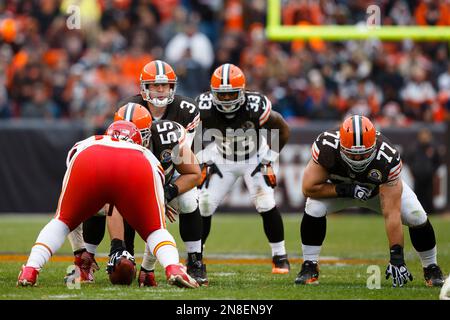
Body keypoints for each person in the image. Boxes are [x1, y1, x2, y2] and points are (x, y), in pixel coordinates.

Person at [69, 60, 206, 286]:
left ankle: (194, 260)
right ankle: (91, 258)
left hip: (169, 172)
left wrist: (166, 192)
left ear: (173, 87)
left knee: (190, 200)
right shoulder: (127, 109)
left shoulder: (183, 115)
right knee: (96, 203)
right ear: (144, 88)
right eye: (154, 85)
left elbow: (187, 164)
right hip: (129, 173)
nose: (160, 90)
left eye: (164, 85)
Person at [17, 121, 198, 289]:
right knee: (155, 230)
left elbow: (74, 205)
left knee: (62, 220)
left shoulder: (88, 141)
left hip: (89, 157)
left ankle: (31, 270)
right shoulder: (147, 154)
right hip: (138, 164)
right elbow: (155, 221)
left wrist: (80, 249)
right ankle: (173, 268)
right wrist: (148, 270)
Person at [296, 115, 445, 287]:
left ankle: (431, 267)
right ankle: (309, 266)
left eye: (363, 154)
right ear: (341, 147)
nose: (358, 159)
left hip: (377, 192)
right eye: (352, 154)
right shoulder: (327, 147)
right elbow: (308, 188)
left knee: (416, 216)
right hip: (341, 191)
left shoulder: (387, 158)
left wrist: (396, 257)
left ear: (374, 146)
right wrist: (348, 190)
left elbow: (392, 213)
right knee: (313, 207)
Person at [195, 63, 291, 274]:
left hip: (254, 158)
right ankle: (196, 258)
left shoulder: (255, 106)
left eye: (231, 94)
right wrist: (201, 159)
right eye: (222, 95)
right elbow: (191, 135)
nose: (227, 99)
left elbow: (282, 129)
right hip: (221, 157)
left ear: (242, 91)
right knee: (204, 205)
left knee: (266, 202)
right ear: (212, 93)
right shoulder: (203, 107)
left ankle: (280, 256)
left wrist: (268, 159)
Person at [406, 128, 442, 214]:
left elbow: (438, 161)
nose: (424, 138)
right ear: (419, 137)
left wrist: (433, 171)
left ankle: (431, 212)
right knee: (418, 195)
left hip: (429, 177)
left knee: (429, 195)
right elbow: (408, 160)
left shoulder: (433, 148)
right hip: (417, 177)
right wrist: (412, 171)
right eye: (423, 136)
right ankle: (418, 211)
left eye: (426, 136)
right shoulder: (414, 148)